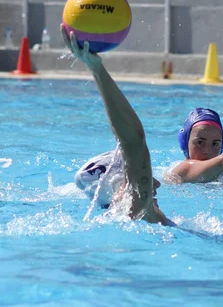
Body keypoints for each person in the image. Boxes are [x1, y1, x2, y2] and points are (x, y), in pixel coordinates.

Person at [62, 24, 171, 225]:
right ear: (116, 189)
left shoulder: (127, 219)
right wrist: (97, 70)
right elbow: (133, 141)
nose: (155, 183)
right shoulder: (137, 211)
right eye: (129, 176)